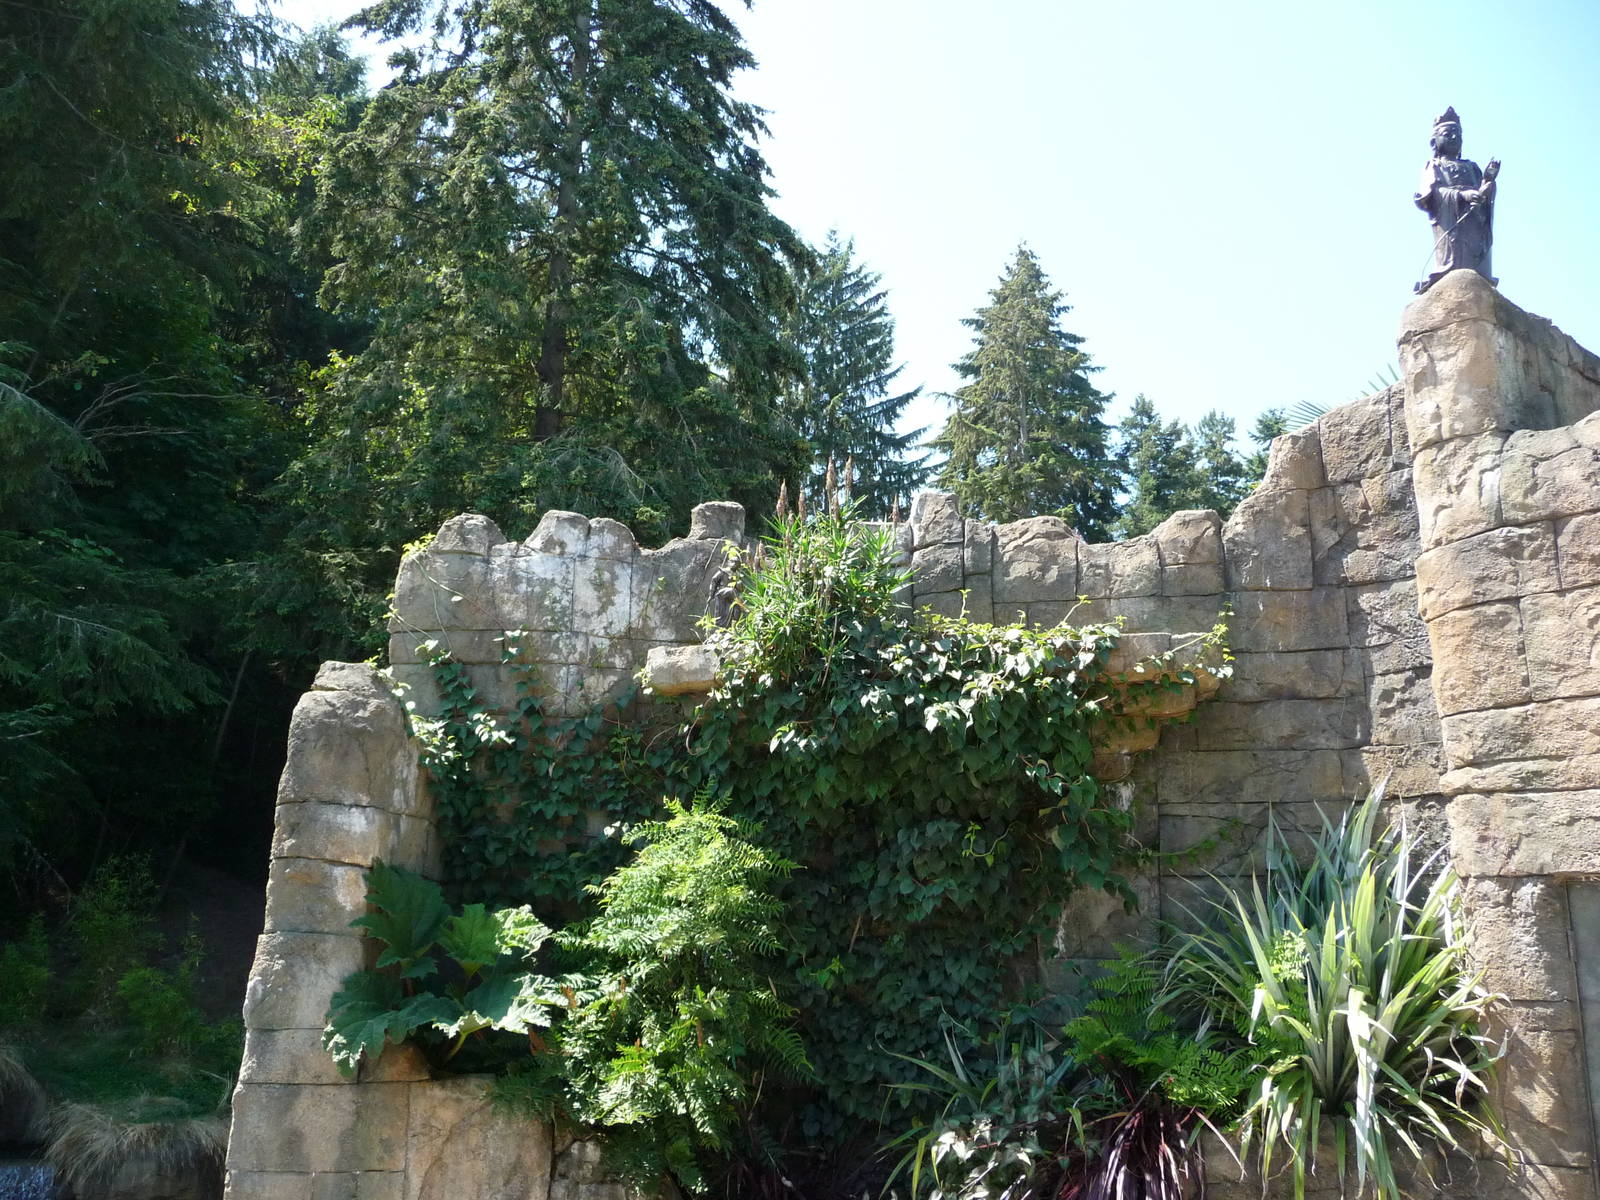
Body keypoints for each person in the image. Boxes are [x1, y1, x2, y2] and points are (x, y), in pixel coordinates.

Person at [1414, 106, 1499, 294]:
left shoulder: (1471, 167)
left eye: (1458, 134)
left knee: (1474, 256)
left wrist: (1487, 185)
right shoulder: (1434, 165)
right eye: (1448, 134)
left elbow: (1483, 194)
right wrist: (1461, 195)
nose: (1455, 138)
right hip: (1450, 219)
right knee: (1455, 256)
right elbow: (1432, 194)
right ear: (1434, 142)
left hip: (1473, 220)